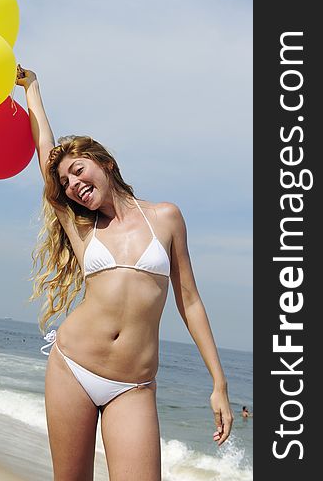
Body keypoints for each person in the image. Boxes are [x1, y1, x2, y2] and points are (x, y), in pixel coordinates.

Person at [17, 66, 233, 480]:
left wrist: (218, 383)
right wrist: (33, 90)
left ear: (105, 163)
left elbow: (189, 301)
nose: (72, 184)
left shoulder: (166, 218)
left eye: (78, 170)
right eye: (65, 182)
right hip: (73, 368)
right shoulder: (82, 228)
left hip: (132, 385)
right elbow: (45, 149)